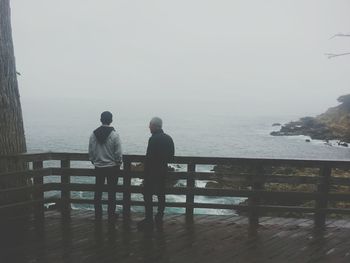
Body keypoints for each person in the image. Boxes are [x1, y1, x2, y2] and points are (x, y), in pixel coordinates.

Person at [138, 117, 175, 230]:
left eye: (150, 125)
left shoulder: (153, 139)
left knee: (148, 195)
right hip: (163, 171)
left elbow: (149, 157)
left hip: (151, 172)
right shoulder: (168, 138)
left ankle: (149, 219)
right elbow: (171, 156)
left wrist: (145, 173)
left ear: (155, 126)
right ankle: (159, 216)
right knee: (161, 194)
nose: (149, 127)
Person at [88, 111, 122, 221]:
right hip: (112, 168)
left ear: (100, 119)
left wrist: (94, 161)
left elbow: (91, 151)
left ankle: (98, 214)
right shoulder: (114, 135)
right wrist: (118, 162)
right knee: (112, 193)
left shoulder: (93, 134)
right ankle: (111, 215)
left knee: (98, 192)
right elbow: (118, 153)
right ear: (111, 120)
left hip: (98, 167)